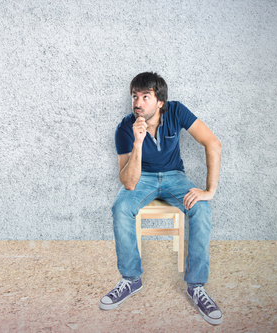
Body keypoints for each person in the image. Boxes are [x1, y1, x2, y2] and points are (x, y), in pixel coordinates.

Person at [99, 72, 223, 325]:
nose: (138, 102)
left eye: (145, 96)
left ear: (160, 102)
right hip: (141, 177)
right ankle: (131, 279)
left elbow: (212, 142)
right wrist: (137, 142)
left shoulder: (176, 111)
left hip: (175, 177)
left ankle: (196, 286)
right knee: (120, 207)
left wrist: (209, 190)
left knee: (201, 207)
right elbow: (129, 182)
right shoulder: (125, 128)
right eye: (135, 96)